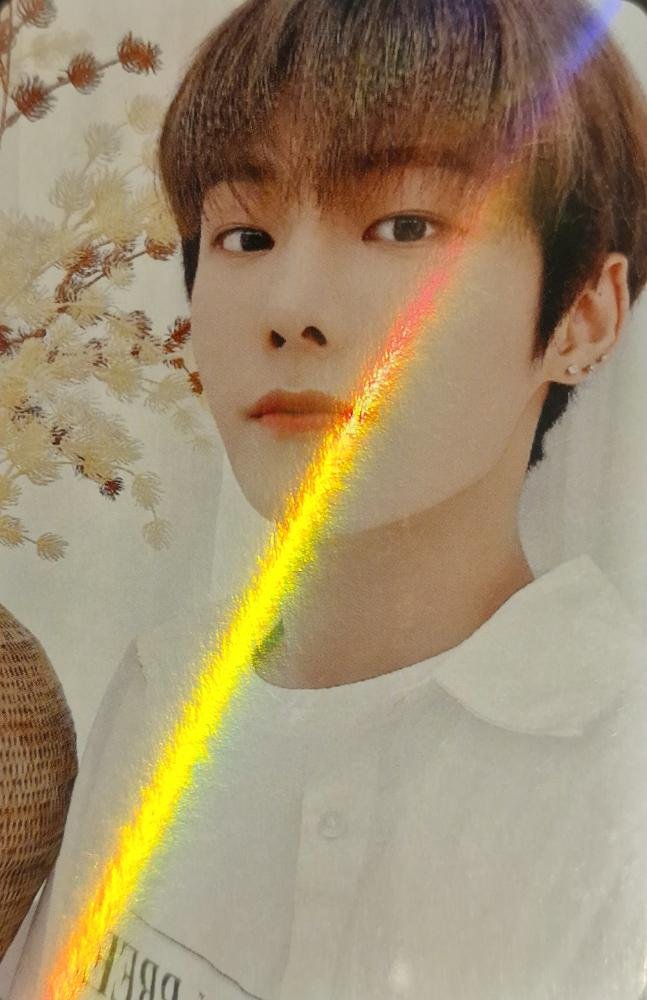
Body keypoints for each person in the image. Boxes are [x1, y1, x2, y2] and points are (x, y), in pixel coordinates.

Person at [9, 0, 647, 997]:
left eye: (402, 225)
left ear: (580, 316)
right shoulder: (167, 686)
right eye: (244, 235)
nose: (290, 308)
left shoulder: (614, 781)